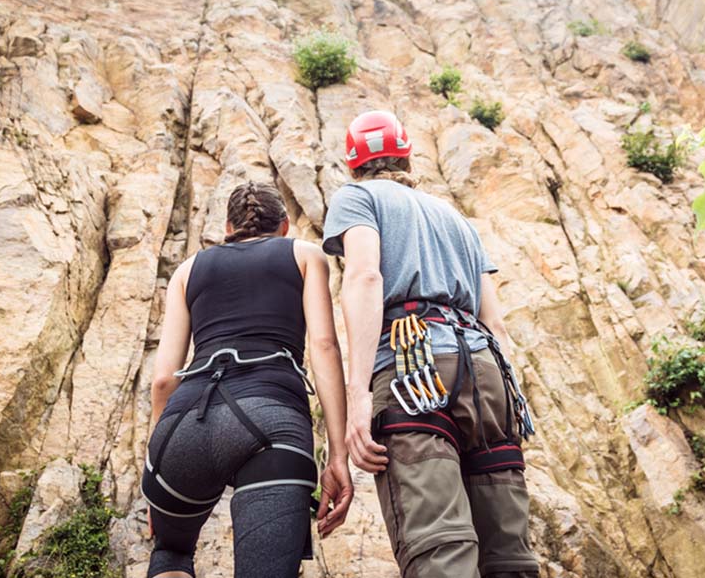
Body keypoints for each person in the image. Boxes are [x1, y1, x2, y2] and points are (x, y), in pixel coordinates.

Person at [322, 110, 539, 578]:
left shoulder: (357, 198)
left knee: (439, 546)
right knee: (509, 556)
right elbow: (494, 321)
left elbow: (364, 275)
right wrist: (511, 401)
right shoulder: (455, 217)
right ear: (406, 155)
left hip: (411, 368)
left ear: (353, 162)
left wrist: (358, 396)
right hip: (485, 373)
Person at [142, 181, 353, 578]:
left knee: (170, 552)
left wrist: (158, 460)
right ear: (285, 225)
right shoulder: (305, 255)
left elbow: (162, 381)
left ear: (227, 228)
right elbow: (324, 346)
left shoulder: (188, 270)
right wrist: (337, 455)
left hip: (184, 423)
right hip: (271, 419)